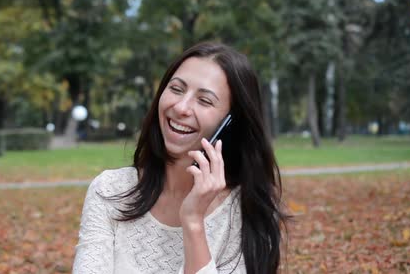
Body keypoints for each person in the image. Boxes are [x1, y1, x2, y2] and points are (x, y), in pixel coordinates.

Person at [73, 42, 288, 274]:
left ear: (230, 123)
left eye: (204, 100)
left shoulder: (245, 212)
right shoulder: (109, 191)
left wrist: (193, 221)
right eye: (176, 89)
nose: (181, 107)